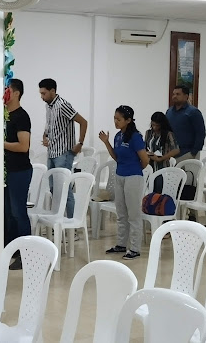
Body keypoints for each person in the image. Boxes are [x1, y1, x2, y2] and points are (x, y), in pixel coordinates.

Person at [99, 105, 149, 260]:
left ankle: (134, 248)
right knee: (121, 212)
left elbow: (145, 160)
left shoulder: (135, 137)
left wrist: (133, 170)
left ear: (128, 120)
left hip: (133, 177)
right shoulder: (118, 136)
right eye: (114, 118)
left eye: (119, 119)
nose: (116, 121)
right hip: (119, 175)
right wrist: (106, 142)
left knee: (133, 214)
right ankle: (121, 244)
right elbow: (116, 157)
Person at [39, 78, 88, 218]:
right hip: (52, 152)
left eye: (44, 93)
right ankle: (59, 220)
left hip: (64, 153)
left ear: (53, 91)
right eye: (41, 94)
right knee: (54, 189)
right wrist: (45, 137)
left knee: (65, 190)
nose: (42, 97)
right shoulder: (48, 106)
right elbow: (49, 125)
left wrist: (80, 143)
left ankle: (72, 224)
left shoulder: (63, 105)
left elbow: (83, 122)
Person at [4, 79, 33, 270]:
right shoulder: (5, 115)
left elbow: (24, 146)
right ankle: (12, 249)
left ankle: (27, 254)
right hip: (7, 172)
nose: (4, 94)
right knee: (8, 214)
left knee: (18, 212)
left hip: (20, 171)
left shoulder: (21, 116)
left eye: (7, 90)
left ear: (15, 93)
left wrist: (0, 143)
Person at [166, 85, 206, 164]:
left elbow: (200, 133)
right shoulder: (169, 112)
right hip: (172, 155)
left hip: (188, 153)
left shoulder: (193, 112)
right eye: (174, 94)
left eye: (178, 94)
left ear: (186, 96)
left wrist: (194, 152)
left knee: (189, 176)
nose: (174, 96)